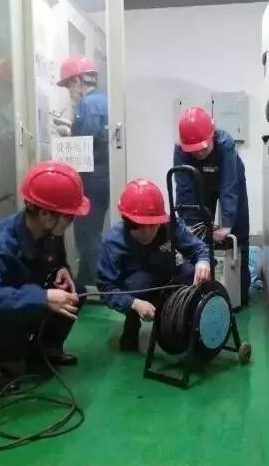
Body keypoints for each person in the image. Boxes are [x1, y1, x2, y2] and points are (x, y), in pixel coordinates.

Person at [0, 161, 90, 390]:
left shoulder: (49, 231)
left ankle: (45, 350)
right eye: (69, 216)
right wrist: (43, 297)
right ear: (46, 215)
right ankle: (0, 364)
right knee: (15, 307)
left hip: (21, 294)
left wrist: (61, 268)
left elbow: (55, 258)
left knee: (75, 291)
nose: (71, 221)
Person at [96, 179, 211, 351]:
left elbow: (198, 248)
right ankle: (132, 322)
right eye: (140, 227)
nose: (147, 233)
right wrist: (133, 303)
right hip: (138, 288)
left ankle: (184, 322)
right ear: (127, 222)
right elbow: (105, 287)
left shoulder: (171, 226)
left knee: (190, 271)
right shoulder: (113, 242)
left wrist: (203, 261)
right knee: (139, 283)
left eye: (152, 225)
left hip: (169, 277)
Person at [173, 106, 251, 305]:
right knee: (199, 233)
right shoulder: (180, 150)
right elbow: (184, 190)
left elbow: (228, 187)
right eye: (194, 150)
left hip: (231, 179)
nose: (199, 153)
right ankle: (202, 289)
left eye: (203, 148)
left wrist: (226, 225)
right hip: (200, 183)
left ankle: (239, 292)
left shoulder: (225, 144)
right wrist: (189, 224)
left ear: (212, 135)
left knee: (238, 234)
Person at [56, 55, 109, 286]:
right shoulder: (105, 101)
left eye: (69, 85)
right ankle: (87, 280)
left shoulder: (86, 105)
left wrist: (67, 134)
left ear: (78, 81)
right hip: (105, 177)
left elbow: (83, 146)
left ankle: (96, 284)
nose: (70, 92)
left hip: (91, 179)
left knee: (86, 233)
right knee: (93, 231)